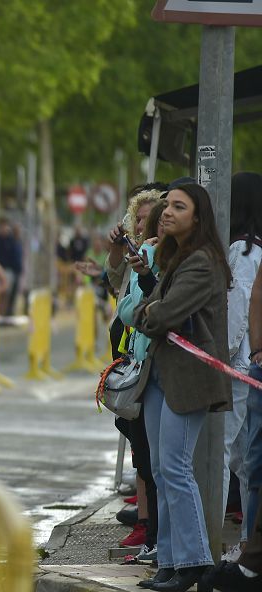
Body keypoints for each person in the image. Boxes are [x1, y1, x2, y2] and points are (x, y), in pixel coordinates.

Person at [125, 183, 232, 592]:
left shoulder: (203, 262)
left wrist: (146, 311)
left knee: (175, 468)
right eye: (166, 205)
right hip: (160, 375)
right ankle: (169, 560)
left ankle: (192, 560)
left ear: (197, 218)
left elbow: (161, 315)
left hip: (188, 379)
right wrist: (149, 302)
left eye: (178, 207)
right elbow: (153, 305)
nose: (166, 212)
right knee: (159, 469)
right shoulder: (176, 258)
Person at [113, 200, 164, 560]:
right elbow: (127, 310)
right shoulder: (144, 252)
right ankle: (153, 536)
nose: (143, 225)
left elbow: (168, 309)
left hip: (165, 368)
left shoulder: (187, 258)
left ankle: (164, 540)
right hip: (140, 361)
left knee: (165, 465)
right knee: (146, 456)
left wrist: (147, 307)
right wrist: (146, 308)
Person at [224, 172, 262, 563]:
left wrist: (221, 355)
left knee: (239, 459)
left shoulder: (244, 251)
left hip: (239, 369)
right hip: (248, 365)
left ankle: (249, 544)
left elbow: (237, 317)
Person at [0, 218, 22, 315]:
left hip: (8, 271)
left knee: (6, 293)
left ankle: (4, 314)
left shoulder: (11, 240)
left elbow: (15, 257)